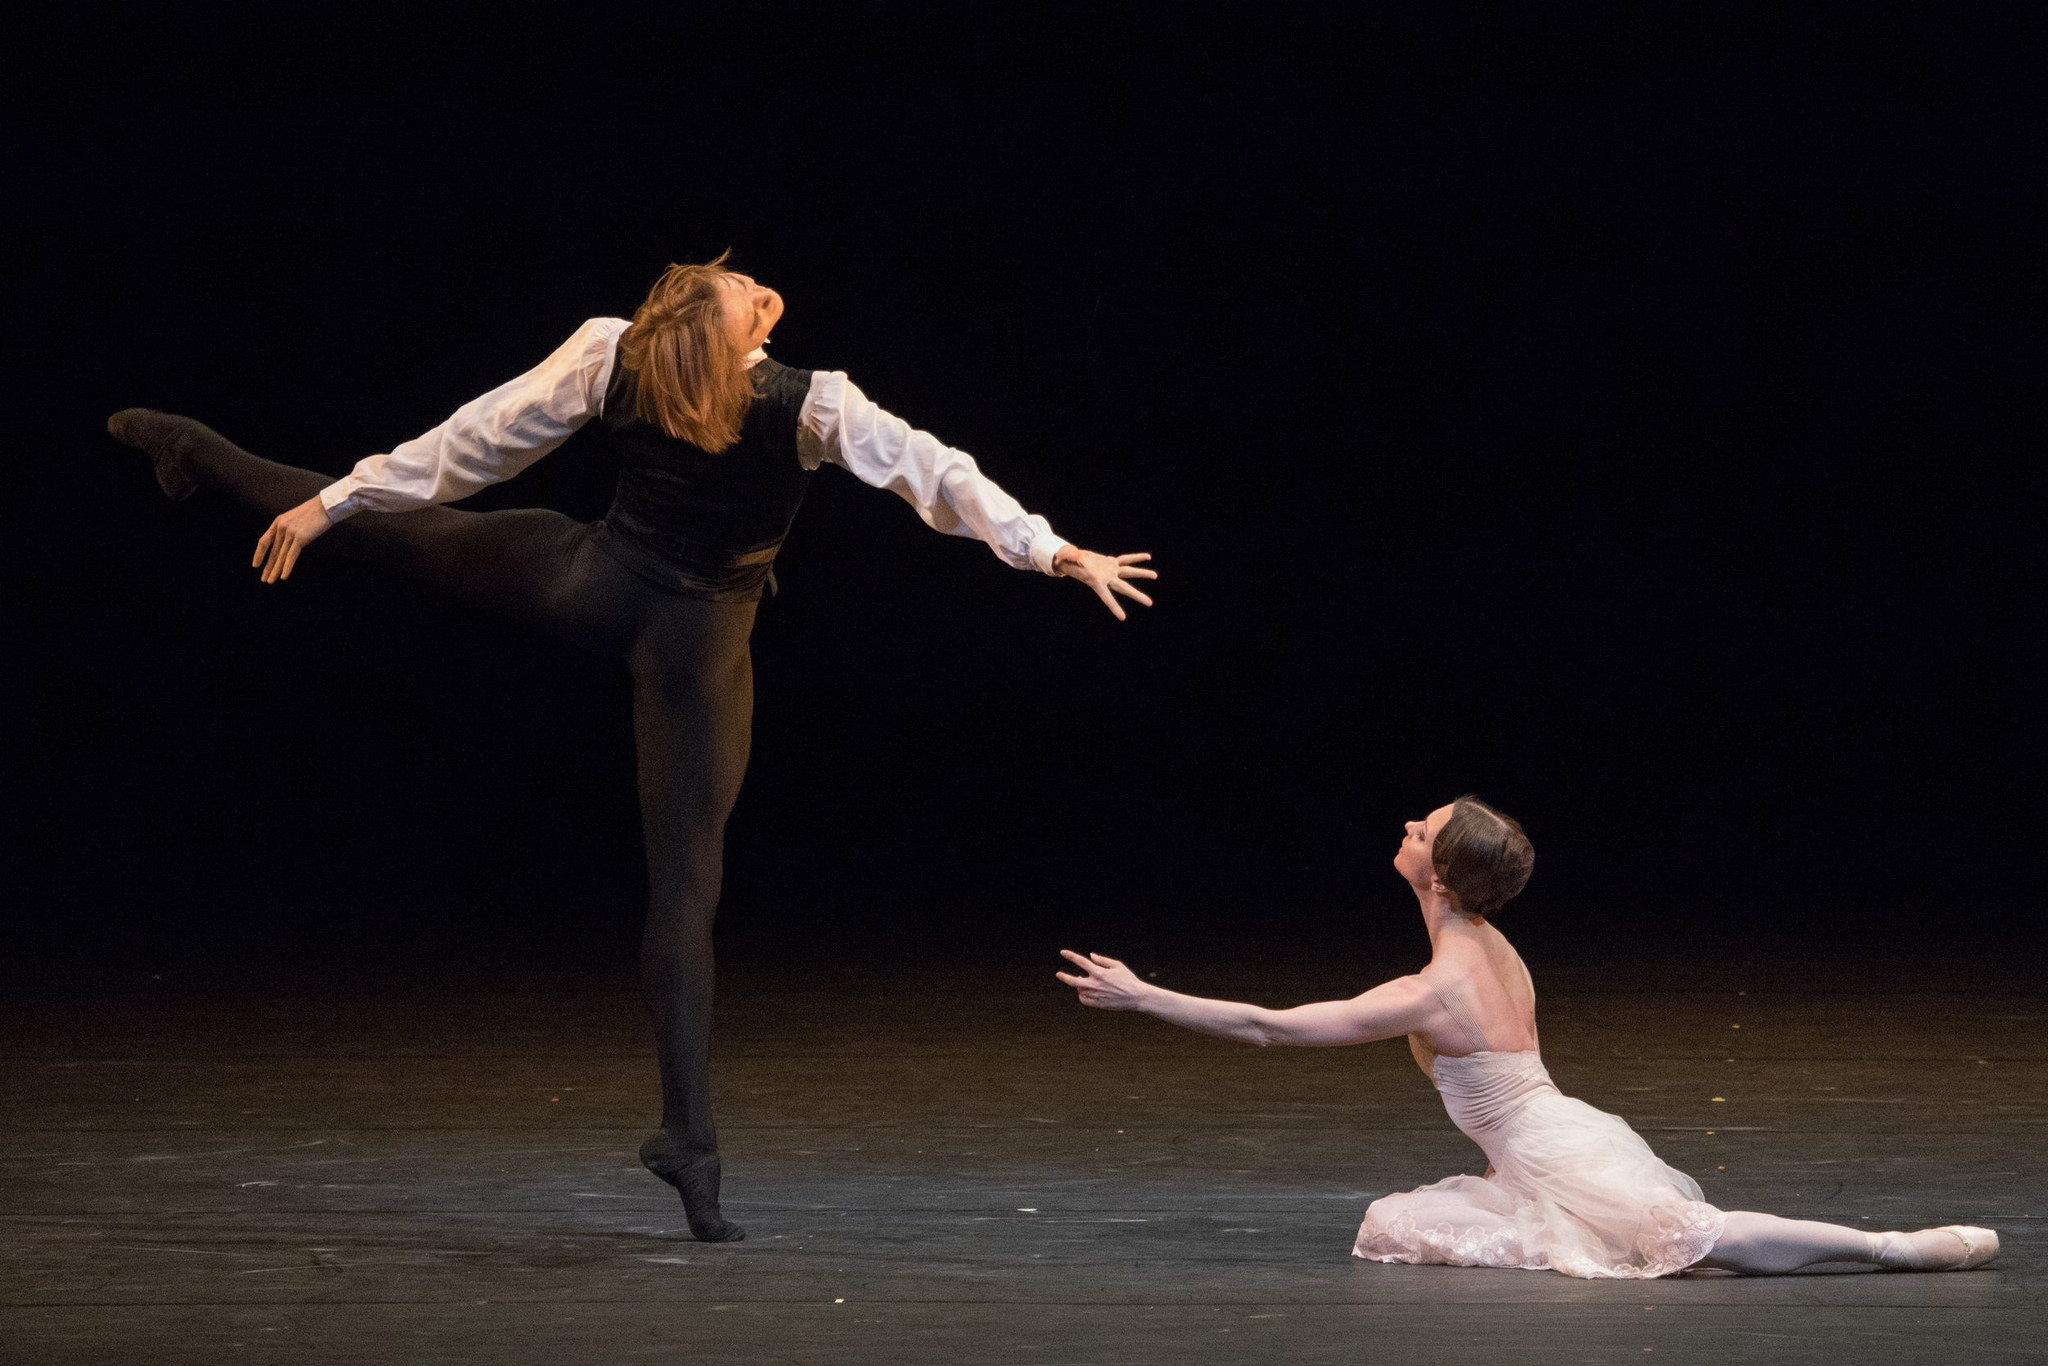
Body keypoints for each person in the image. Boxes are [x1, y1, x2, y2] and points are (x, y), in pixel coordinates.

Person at [108, 254, 1158, 1243]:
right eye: (740, 289)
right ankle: (688, 1142)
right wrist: (1053, 552)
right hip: (695, 640)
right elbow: (935, 474)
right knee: (685, 888)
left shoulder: (620, 352)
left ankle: (194, 448)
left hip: (592, 584)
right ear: (715, 332)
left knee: (400, 533)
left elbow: (477, 444)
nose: (757, 286)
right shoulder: (811, 403)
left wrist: (340, 499)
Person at [1055, 796, 1999, 1277]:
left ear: (1439, 876)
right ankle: (1883, 1248)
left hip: (1558, 1146)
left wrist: (1145, 998)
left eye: (1422, 829)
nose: (1408, 825)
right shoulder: (1488, 942)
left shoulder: (1436, 988)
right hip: (1549, 1138)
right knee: (1397, 1222)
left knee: (1689, 1236)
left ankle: (1889, 1248)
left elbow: (1271, 1030)